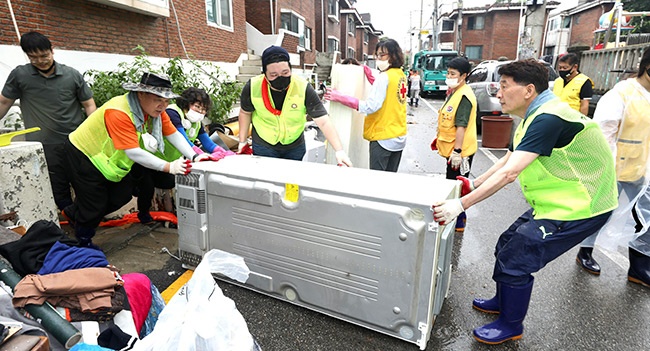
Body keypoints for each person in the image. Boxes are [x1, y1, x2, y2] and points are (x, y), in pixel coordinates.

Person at [432, 59, 618, 344]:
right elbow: (509, 157)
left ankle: (511, 324)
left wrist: (461, 205)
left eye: (505, 86)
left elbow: (510, 173)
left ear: (529, 90)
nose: (498, 94)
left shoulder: (549, 118)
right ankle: (503, 300)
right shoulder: (533, 116)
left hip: (583, 206)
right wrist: (474, 183)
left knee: (518, 257)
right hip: (557, 202)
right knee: (507, 242)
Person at [62, 72, 216, 249]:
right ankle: (83, 241)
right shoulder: (119, 112)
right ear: (141, 94)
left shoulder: (157, 112)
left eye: (167, 100)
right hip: (84, 152)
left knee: (122, 194)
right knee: (94, 202)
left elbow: (172, 134)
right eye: (158, 98)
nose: (163, 105)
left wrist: (195, 156)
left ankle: (73, 213)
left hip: (109, 160)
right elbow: (134, 152)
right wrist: (168, 166)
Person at [572, 49, 650, 287]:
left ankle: (639, 266)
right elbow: (603, 135)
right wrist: (604, 169)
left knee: (646, 218)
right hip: (615, 168)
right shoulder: (621, 95)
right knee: (600, 213)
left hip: (644, 170)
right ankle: (585, 251)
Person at [0, 31, 97, 211]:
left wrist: (91, 132)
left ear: (52, 50)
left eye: (44, 55)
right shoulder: (20, 75)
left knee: (84, 183)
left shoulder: (71, 75)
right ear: (27, 55)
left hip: (75, 141)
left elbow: (89, 105)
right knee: (57, 188)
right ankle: (72, 219)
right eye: (34, 57)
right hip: (44, 144)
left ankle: (86, 218)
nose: (41, 61)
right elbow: (4, 102)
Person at [237, 45, 351, 166]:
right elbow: (245, 113)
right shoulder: (253, 87)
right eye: (273, 75)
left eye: (285, 72)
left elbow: (323, 120)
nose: (280, 77)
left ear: (291, 69)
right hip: (264, 145)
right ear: (264, 74)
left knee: (291, 183)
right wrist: (242, 141)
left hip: (294, 146)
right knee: (267, 181)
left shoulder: (303, 87)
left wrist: (339, 150)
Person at [132, 87, 233, 224]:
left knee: (172, 182)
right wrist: (200, 155)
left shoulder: (197, 122)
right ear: (187, 103)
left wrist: (225, 153)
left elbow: (208, 143)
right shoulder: (173, 114)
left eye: (203, 110)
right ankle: (143, 214)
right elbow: (182, 139)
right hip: (150, 158)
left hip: (170, 161)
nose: (200, 112)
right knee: (147, 187)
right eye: (197, 107)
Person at [324, 38, 408, 172]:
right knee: (391, 179)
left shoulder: (384, 77)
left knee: (376, 182)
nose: (378, 58)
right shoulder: (400, 75)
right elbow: (389, 93)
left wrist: (341, 98)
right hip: (398, 136)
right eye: (377, 55)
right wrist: (373, 79)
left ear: (393, 55)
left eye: (382, 55)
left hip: (383, 138)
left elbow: (371, 106)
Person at [431, 57, 478, 232]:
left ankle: (459, 220)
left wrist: (457, 151)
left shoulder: (464, 95)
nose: (448, 76)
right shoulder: (455, 92)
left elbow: (461, 126)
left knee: (457, 185)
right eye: (448, 73)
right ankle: (456, 218)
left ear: (464, 75)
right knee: (452, 182)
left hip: (460, 151)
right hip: (453, 149)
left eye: (453, 74)